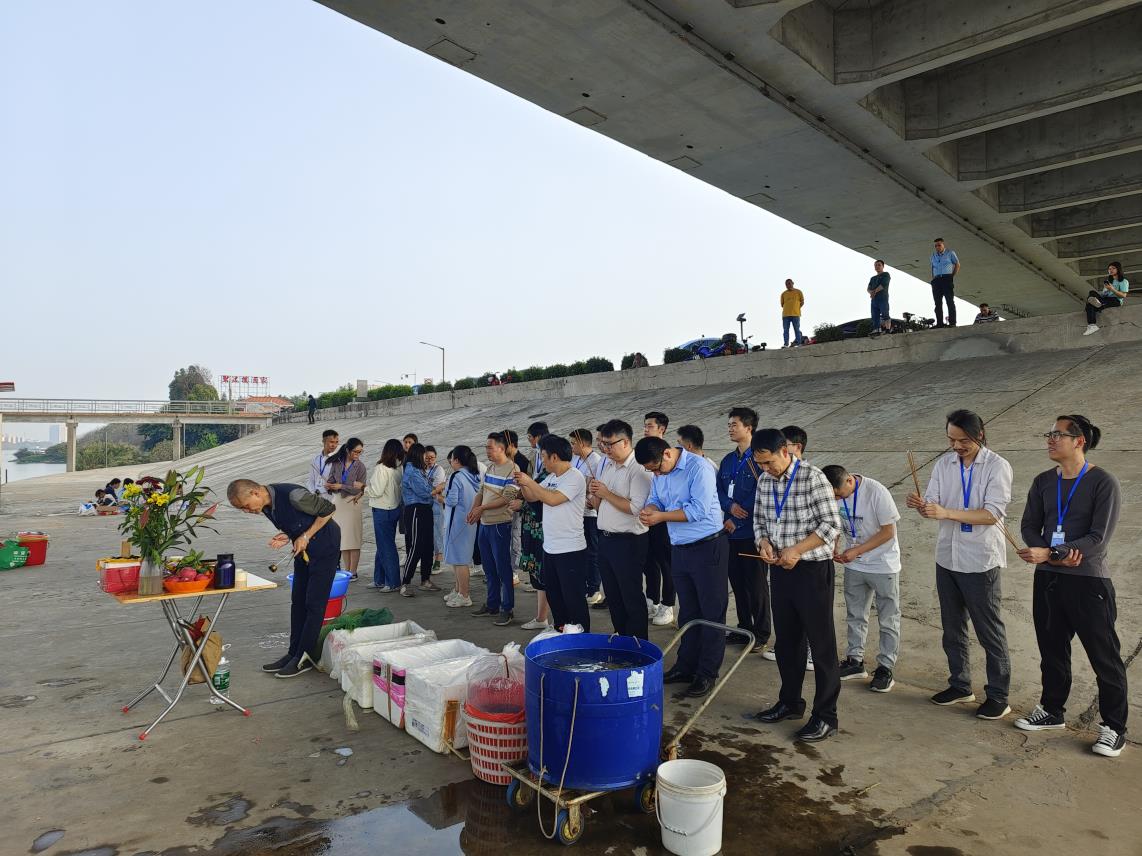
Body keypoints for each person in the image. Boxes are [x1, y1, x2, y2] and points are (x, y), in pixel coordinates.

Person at [1014, 415, 1127, 758]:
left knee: (1104, 657)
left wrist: (1054, 551)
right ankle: (1051, 710)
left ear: (1079, 441)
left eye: (1058, 435)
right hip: (1049, 578)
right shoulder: (1044, 481)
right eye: (1049, 433)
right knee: (1051, 649)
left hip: (1088, 581)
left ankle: (1114, 728)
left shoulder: (1102, 482)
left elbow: (1098, 537)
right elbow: (1030, 524)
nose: (1050, 439)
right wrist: (1046, 555)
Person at [906, 409, 1013, 721]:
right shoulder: (945, 463)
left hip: (980, 559)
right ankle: (960, 684)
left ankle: (998, 695)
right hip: (948, 556)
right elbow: (933, 505)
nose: (956, 446)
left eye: (962, 440)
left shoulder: (997, 466)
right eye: (951, 440)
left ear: (979, 435)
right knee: (952, 627)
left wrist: (945, 513)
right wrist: (922, 507)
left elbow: (992, 514)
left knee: (989, 630)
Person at [749, 429, 843, 742]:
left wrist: (797, 550)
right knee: (788, 642)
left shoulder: (813, 478)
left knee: (821, 643)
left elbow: (831, 526)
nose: (766, 468)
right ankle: (790, 702)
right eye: (760, 463)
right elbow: (759, 520)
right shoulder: (764, 480)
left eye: (770, 461)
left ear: (786, 451)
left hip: (812, 570)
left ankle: (825, 716)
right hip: (780, 570)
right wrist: (763, 543)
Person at [636, 436, 727, 699]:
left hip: (708, 546)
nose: (654, 473)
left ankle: (707, 673)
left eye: (655, 468)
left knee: (711, 613)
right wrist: (650, 510)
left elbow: (698, 510)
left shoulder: (699, 468)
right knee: (688, 611)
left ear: (667, 454)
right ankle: (685, 666)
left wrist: (661, 516)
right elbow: (655, 499)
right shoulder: (660, 474)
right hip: (681, 547)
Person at [228, 478, 339, 678]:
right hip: (303, 550)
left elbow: (328, 509)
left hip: (325, 544)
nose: (248, 511)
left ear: (255, 493)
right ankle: (293, 653)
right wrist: (289, 535)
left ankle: (304, 657)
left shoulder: (293, 495)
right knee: (298, 601)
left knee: (314, 604)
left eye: (245, 507)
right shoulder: (266, 506)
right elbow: (298, 521)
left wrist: (305, 536)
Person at [822, 465, 902, 693]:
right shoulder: (836, 493)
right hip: (854, 564)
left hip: (882, 564)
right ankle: (854, 660)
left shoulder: (877, 492)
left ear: (849, 481)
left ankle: (886, 667)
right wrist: (835, 544)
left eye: (838, 494)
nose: (836, 499)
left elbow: (888, 532)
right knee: (855, 614)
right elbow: (835, 523)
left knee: (888, 617)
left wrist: (857, 551)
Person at [514, 434, 590, 632]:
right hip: (550, 548)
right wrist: (523, 483)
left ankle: (581, 636)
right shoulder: (551, 477)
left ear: (554, 457)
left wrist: (530, 482)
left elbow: (552, 499)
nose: (543, 460)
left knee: (573, 597)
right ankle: (561, 630)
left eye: (544, 456)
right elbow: (534, 496)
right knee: (554, 595)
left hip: (570, 549)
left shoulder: (574, 477)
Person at [589, 420, 654, 638]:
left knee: (631, 595)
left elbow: (636, 508)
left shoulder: (639, 469)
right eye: (603, 444)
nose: (605, 449)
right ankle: (621, 637)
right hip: (606, 538)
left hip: (629, 541)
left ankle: (637, 643)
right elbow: (600, 501)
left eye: (609, 444)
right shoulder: (606, 464)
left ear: (625, 442)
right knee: (613, 595)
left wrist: (606, 493)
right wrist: (595, 495)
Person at [717, 407, 770, 656]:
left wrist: (737, 517)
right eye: (729, 424)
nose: (730, 428)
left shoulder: (758, 460)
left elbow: (762, 494)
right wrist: (729, 507)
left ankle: (761, 634)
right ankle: (743, 627)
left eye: (734, 424)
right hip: (730, 533)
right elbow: (717, 491)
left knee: (757, 586)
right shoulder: (728, 460)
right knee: (737, 584)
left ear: (749, 428)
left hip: (752, 533)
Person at [467, 432, 521, 626]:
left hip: (500, 524)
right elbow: (481, 491)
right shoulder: (490, 467)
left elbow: (507, 498)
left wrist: (481, 508)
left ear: (501, 448)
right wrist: (475, 509)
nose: (487, 451)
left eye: (490, 447)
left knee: (503, 568)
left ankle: (507, 608)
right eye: (486, 447)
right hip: (485, 524)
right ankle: (492, 604)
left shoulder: (513, 469)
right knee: (489, 567)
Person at [643, 411, 676, 627]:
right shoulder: (642, 453)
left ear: (662, 429)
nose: (646, 429)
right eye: (645, 425)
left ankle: (668, 604)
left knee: (667, 562)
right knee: (649, 561)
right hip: (648, 514)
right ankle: (652, 599)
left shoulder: (667, 456)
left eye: (650, 426)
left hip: (666, 517)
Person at [517, 422, 552, 630]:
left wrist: (525, 490)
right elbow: (533, 494)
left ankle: (550, 620)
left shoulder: (557, 476)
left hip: (542, 530)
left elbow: (539, 496)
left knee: (545, 574)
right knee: (537, 576)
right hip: (532, 527)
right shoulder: (538, 465)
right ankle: (541, 617)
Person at [443, 446, 481, 609]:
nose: (451, 462)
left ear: (457, 460)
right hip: (469, 522)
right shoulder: (474, 475)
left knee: (460, 561)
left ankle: (464, 595)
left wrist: (440, 496)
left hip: (457, 522)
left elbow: (451, 500)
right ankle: (458, 590)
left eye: (452, 459)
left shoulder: (456, 476)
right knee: (459, 558)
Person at [399, 443, 439, 596]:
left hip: (425, 509)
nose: (426, 458)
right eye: (424, 455)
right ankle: (405, 583)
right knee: (416, 546)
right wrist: (437, 488)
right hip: (416, 509)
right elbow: (423, 492)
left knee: (428, 546)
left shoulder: (420, 470)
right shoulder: (412, 470)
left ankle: (425, 579)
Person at [569, 428, 604, 605]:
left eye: (573, 443)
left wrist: (589, 498)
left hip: (590, 513)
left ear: (582, 443)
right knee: (581, 551)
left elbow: (593, 487)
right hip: (577, 512)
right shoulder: (575, 459)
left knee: (593, 551)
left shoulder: (596, 460)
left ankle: (594, 588)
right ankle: (584, 585)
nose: (571, 447)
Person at [365, 439, 404, 591]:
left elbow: (376, 491)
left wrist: (363, 488)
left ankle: (392, 582)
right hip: (394, 508)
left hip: (382, 510)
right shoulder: (399, 467)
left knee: (386, 546)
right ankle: (379, 578)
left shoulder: (382, 468)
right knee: (383, 544)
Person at [324, 437, 365, 580]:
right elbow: (331, 479)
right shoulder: (337, 463)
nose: (357, 454)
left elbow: (359, 488)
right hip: (338, 502)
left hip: (352, 503)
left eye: (360, 452)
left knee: (353, 538)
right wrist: (328, 485)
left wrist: (341, 486)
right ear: (348, 450)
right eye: (355, 451)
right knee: (344, 539)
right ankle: (347, 571)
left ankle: (353, 571)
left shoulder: (360, 467)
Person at [505, 429, 530, 585]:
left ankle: (513, 572)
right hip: (504, 506)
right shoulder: (503, 462)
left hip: (516, 507)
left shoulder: (522, 461)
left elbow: (527, 486)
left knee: (515, 538)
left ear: (511, 445)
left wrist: (517, 501)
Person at [1084, 261, 1130, 336]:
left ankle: (1098, 306)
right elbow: (1104, 295)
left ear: (1118, 269)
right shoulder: (1109, 281)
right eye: (1109, 269)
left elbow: (1123, 295)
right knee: (1092, 293)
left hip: (1116, 301)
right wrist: (1106, 290)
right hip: (1106, 299)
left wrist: (1112, 289)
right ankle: (1092, 326)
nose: (1110, 270)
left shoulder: (1123, 281)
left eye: (1113, 268)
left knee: (1090, 305)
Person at [930, 237, 960, 327]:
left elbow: (957, 264)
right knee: (937, 303)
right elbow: (932, 267)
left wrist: (952, 276)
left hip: (947, 278)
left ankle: (952, 322)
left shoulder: (950, 253)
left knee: (949, 301)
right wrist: (933, 279)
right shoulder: (933, 256)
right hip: (936, 280)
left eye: (939, 245)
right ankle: (939, 323)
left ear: (943, 245)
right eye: (936, 246)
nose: (937, 247)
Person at [425, 446, 447, 572]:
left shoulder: (439, 470)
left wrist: (426, 491)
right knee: (427, 533)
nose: (429, 460)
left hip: (435, 504)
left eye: (432, 457)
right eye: (427, 458)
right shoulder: (421, 469)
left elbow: (437, 488)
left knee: (437, 532)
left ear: (436, 458)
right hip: (424, 504)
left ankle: (438, 560)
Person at [308, 430, 339, 497]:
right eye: (331, 442)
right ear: (323, 441)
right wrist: (312, 492)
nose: (334, 445)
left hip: (332, 497)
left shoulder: (338, 460)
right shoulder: (316, 459)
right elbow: (311, 479)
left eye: (336, 442)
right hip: (316, 497)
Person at [868, 260, 891, 335]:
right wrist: (871, 292)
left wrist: (874, 292)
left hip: (883, 298)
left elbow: (883, 285)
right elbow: (868, 288)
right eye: (875, 265)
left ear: (882, 266)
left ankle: (888, 329)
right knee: (874, 315)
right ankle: (877, 329)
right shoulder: (872, 278)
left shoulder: (886, 275)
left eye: (879, 265)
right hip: (874, 299)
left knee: (885, 313)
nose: (877, 267)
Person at [780, 279, 805, 347]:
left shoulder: (799, 292)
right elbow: (782, 304)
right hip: (786, 315)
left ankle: (799, 343)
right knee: (785, 330)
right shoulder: (783, 294)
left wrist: (796, 308)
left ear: (793, 283)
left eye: (789, 283)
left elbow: (802, 302)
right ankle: (786, 344)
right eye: (786, 284)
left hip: (795, 314)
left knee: (797, 329)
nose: (788, 285)